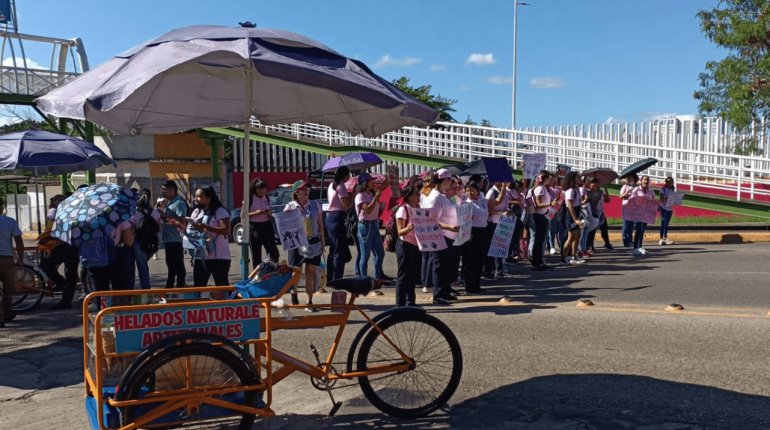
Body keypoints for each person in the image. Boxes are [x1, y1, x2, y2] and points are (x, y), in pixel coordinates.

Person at [284, 180, 325, 311]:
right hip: (296, 243)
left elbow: (320, 225)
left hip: (313, 240)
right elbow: (284, 227)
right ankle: (294, 292)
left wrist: (323, 241)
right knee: (296, 271)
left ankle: (309, 301)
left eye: (307, 189)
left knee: (311, 272)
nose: (306, 191)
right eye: (302, 189)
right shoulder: (290, 207)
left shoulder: (315, 205)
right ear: (296, 192)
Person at [423, 169, 459, 305]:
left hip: (448, 235)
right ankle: (438, 295)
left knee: (446, 266)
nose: (451, 183)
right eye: (450, 180)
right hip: (440, 235)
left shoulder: (442, 196)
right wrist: (449, 227)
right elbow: (432, 219)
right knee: (439, 266)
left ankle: (445, 291)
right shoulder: (435, 197)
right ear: (444, 181)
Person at [184, 186, 231, 289]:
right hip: (201, 255)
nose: (196, 199)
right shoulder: (196, 212)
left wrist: (205, 227)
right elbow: (192, 230)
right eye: (195, 196)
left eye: (200, 196)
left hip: (219, 257)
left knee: (222, 287)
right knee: (199, 287)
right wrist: (179, 225)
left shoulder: (220, 211)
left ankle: (225, 305)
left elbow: (226, 230)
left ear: (209, 198)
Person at [39, 195, 80, 310]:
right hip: (61, 245)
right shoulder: (59, 213)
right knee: (45, 264)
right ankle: (62, 283)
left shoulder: (75, 212)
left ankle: (66, 300)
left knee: (70, 273)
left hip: (71, 246)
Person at [126, 189, 162, 289]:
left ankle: (132, 288)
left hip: (138, 242)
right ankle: (146, 289)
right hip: (152, 243)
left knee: (135, 266)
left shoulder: (134, 213)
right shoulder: (154, 212)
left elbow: (131, 230)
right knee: (143, 265)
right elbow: (159, 228)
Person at [354, 173, 387, 282]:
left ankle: (377, 277)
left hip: (374, 224)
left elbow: (376, 212)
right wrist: (376, 199)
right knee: (365, 255)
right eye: (371, 181)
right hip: (365, 226)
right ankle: (363, 279)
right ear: (365, 183)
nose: (373, 183)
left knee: (380, 253)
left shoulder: (371, 194)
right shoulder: (360, 196)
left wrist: (381, 207)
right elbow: (367, 209)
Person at [394, 183, 421, 307]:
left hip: (415, 244)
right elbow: (399, 231)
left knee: (413, 274)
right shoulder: (403, 209)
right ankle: (400, 304)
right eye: (416, 194)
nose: (419, 195)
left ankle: (411, 302)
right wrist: (409, 228)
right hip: (404, 244)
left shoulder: (418, 207)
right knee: (403, 275)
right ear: (410, 197)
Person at [0, 197, 24, 327]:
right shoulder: (10, 221)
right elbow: (19, 242)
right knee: (8, 289)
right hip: (7, 259)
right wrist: (20, 258)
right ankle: (7, 313)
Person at [160, 180, 188, 288]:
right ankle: (171, 287)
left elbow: (182, 221)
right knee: (171, 267)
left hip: (175, 240)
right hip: (169, 240)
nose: (163, 192)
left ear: (172, 190)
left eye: (165, 189)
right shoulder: (169, 203)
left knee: (177, 267)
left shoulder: (179, 203)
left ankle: (179, 287)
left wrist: (165, 215)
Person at [325, 166, 352, 281]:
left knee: (334, 249)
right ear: (345, 175)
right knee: (338, 251)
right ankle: (336, 278)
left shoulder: (331, 185)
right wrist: (354, 194)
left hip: (330, 216)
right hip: (337, 216)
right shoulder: (340, 186)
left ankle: (330, 276)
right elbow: (346, 205)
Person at [246, 180, 280, 268]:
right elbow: (243, 215)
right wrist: (256, 213)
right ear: (255, 190)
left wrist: (269, 213)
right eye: (260, 192)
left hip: (267, 226)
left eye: (264, 192)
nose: (262, 194)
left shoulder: (267, 198)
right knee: (256, 254)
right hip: (255, 227)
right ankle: (257, 274)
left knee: (273, 252)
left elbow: (271, 211)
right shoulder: (249, 198)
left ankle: (272, 269)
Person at [462, 181, 487, 294]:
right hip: (471, 232)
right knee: (470, 261)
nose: (470, 192)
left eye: (472, 190)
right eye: (468, 190)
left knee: (480, 260)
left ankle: (476, 285)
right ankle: (469, 286)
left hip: (482, 231)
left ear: (478, 191)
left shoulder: (482, 202)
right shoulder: (465, 203)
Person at [530, 171, 558, 271]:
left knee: (541, 240)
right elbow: (538, 204)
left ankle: (539, 262)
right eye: (549, 178)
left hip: (543, 215)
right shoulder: (540, 188)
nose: (551, 180)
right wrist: (550, 203)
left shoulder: (542, 188)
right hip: (540, 216)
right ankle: (536, 262)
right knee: (539, 240)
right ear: (545, 179)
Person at [484, 181, 509, 279]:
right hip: (493, 222)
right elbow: (487, 209)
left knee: (500, 246)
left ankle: (499, 269)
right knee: (492, 247)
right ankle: (490, 270)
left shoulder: (502, 191)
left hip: (501, 222)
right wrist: (499, 213)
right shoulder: (492, 192)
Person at [560, 172, 585, 265]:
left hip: (577, 213)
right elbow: (570, 205)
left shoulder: (577, 189)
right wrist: (575, 219)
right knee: (571, 237)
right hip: (570, 215)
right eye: (578, 177)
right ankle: (564, 257)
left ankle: (574, 255)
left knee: (577, 235)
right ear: (573, 179)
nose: (580, 178)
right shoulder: (570, 190)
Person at [631, 175, 657, 256]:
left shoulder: (651, 191)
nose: (646, 181)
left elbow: (654, 200)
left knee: (642, 230)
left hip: (646, 213)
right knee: (639, 230)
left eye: (647, 180)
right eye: (644, 179)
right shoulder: (636, 189)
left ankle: (640, 247)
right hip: (638, 213)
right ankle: (635, 248)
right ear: (641, 181)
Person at [620, 174, 639, 247]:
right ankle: (625, 240)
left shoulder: (637, 188)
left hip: (634, 207)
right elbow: (620, 196)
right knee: (626, 224)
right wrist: (626, 193)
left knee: (631, 225)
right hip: (626, 206)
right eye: (629, 178)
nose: (630, 180)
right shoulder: (625, 186)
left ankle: (630, 240)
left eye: (631, 178)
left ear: (634, 179)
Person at [659, 177, 676, 245]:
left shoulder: (672, 189)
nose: (669, 183)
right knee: (663, 223)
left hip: (670, 208)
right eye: (668, 182)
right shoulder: (663, 189)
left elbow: (673, 198)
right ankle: (661, 238)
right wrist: (667, 198)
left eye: (671, 182)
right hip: (663, 207)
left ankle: (665, 237)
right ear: (666, 182)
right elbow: (661, 198)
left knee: (667, 224)